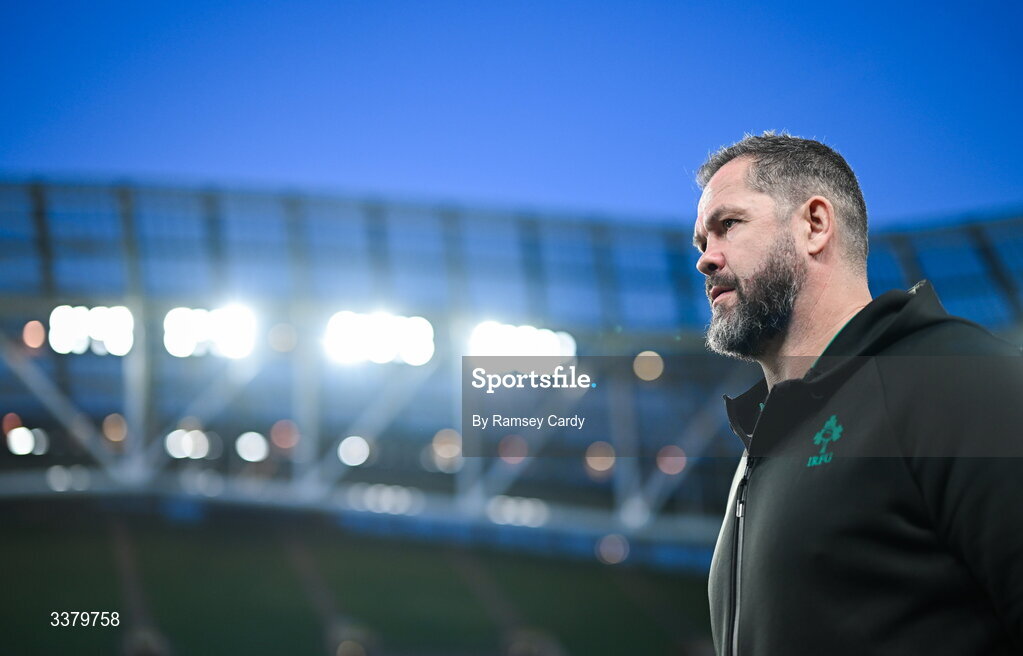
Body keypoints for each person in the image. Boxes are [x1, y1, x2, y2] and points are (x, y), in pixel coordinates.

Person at [692, 132, 1023, 655]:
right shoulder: (759, 454)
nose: (706, 259)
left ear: (815, 225)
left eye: (727, 225)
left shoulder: (953, 377)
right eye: (701, 243)